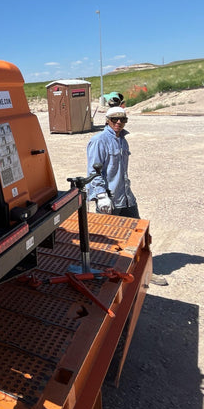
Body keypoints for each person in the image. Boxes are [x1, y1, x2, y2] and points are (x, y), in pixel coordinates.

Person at [86, 106, 168, 285]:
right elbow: (93, 171)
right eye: (114, 119)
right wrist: (100, 195)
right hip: (109, 199)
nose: (118, 123)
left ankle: (143, 272)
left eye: (122, 120)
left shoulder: (123, 140)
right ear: (107, 120)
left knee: (138, 236)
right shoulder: (99, 141)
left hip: (126, 197)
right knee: (109, 240)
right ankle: (107, 276)